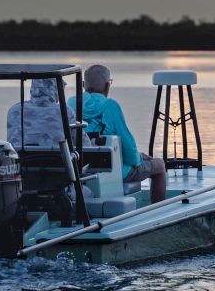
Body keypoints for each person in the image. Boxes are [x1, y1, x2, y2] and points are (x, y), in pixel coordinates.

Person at [68, 64, 167, 204]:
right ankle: (158, 213)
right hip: (113, 172)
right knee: (160, 165)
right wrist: (140, 157)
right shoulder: (111, 106)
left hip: (80, 170)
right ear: (107, 86)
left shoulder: (71, 103)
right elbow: (131, 153)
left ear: (84, 85)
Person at [7, 77, 87, 151]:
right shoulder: (64, 111)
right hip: (56, 163)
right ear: (55, 88)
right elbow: (85, 146)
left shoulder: (15, 111)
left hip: (22, 163)